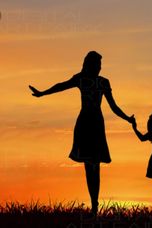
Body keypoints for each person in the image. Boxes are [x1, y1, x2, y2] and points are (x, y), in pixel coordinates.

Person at [29, 51, 134, 215]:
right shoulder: (80, 79)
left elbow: (113, 106)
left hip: (97, 123)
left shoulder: (103, 82)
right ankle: (94, 205)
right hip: (85, 122)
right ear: (89, 65)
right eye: (96, 64)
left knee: (95, 164)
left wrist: (127, 118)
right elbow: (61, 86)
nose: (99, 68)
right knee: (88, 165)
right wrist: (43, 93)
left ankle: (94, 205)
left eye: (100, 65)